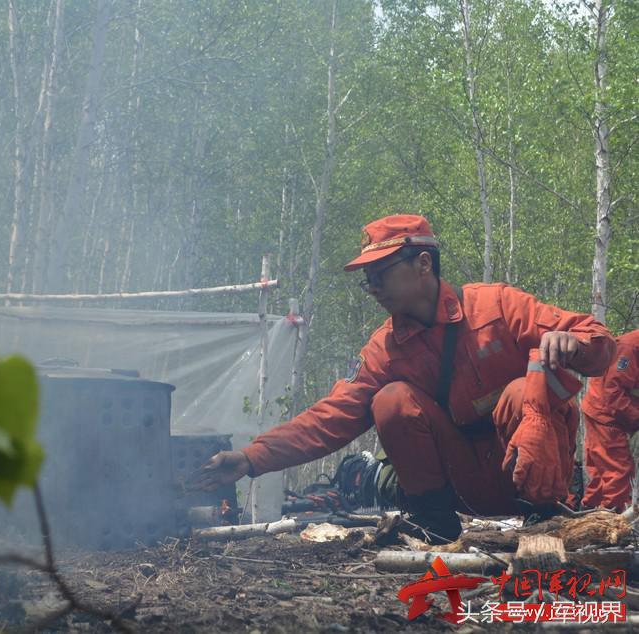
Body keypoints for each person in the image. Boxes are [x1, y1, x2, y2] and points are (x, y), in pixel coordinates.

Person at [197, 214, 616, 543]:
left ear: (423, 263)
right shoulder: (385, 350)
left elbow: (599, 343)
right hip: (463, 486)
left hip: (530, 474)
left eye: (380, 272)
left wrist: (575, 346)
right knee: (391, 400)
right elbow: (329, 419)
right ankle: (435, 523)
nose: (373, 287)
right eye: (368, 279)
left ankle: (544, 516)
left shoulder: (497, 307)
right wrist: (251, 458)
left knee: (524, 390)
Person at [580, 329, 639, 511]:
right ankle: (612, 517)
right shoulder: (630, 348)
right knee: (617, 469)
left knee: (601, 470)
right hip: (606, 414)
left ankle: (590, 511)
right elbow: (613, 391)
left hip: (602, 410)